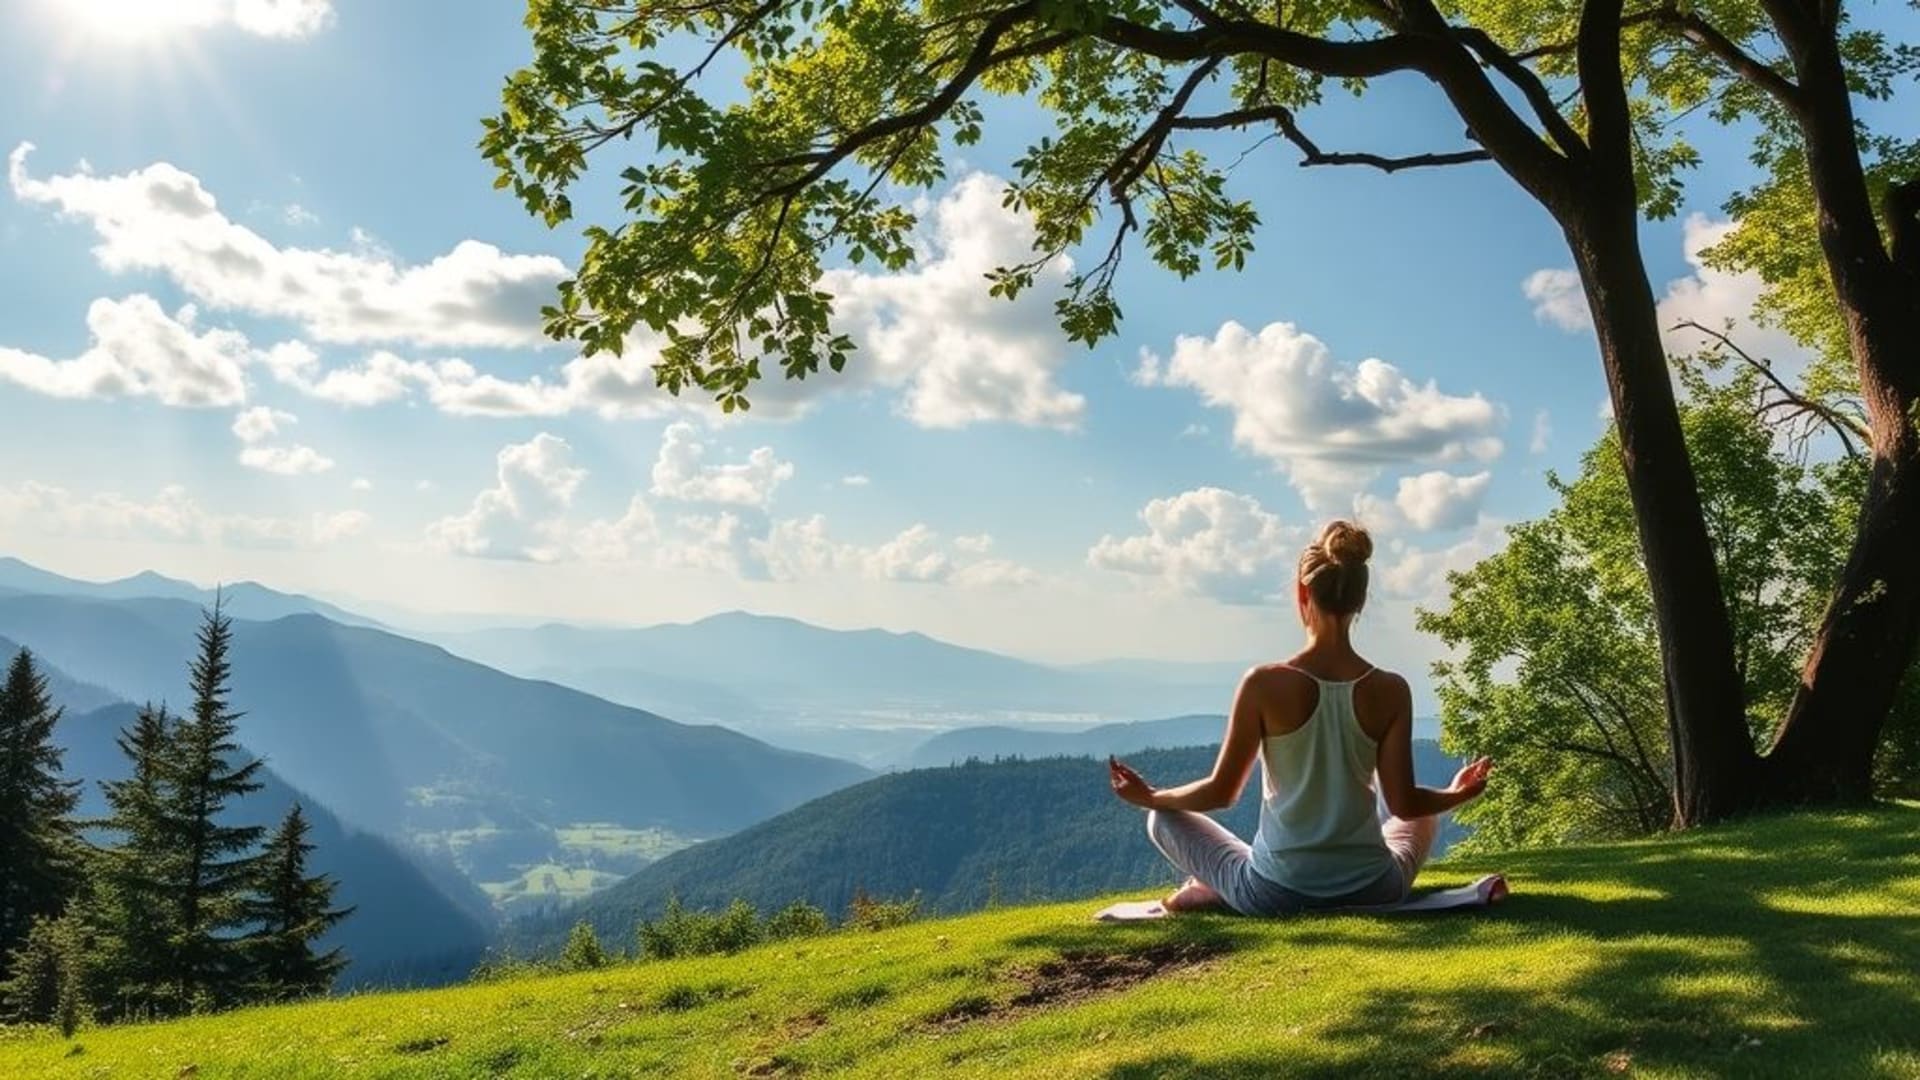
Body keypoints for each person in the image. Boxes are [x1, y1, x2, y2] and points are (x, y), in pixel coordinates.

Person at [1108, 519, 1492, 915]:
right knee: (1424, 817)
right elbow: (1405, 802)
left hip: (1275, 894)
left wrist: (1151, 796)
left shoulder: (1263, 684)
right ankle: (1216, 888)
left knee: (1162, 819)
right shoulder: (1391, 689)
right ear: (1360, 601)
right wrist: (1456, 792)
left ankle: (1214, 888)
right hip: (1373, 889)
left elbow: (1222, 793)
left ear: (1301, 592)